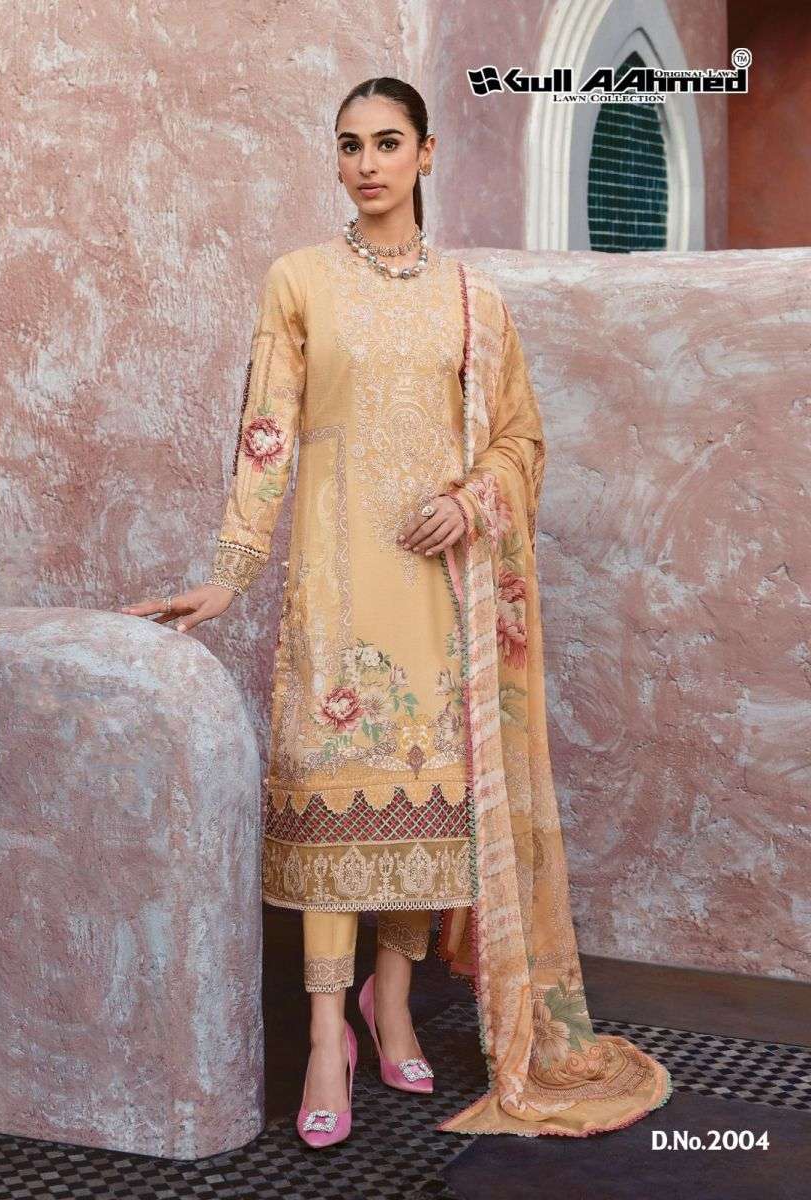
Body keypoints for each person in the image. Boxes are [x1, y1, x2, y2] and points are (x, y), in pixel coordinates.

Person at [120, 76, 672, 1149]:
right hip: (335, 585)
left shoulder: (472, 299)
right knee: (337, 805)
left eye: (385, 142)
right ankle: (327, 1036)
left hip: (440, 591)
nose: (365, 164)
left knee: (426, 807)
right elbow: (266, 435)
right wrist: (231, 570)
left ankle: (395, 1000)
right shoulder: (299, 281)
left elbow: (520, 439)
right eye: (348, 145)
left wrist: (472, 502)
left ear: (426, 152)